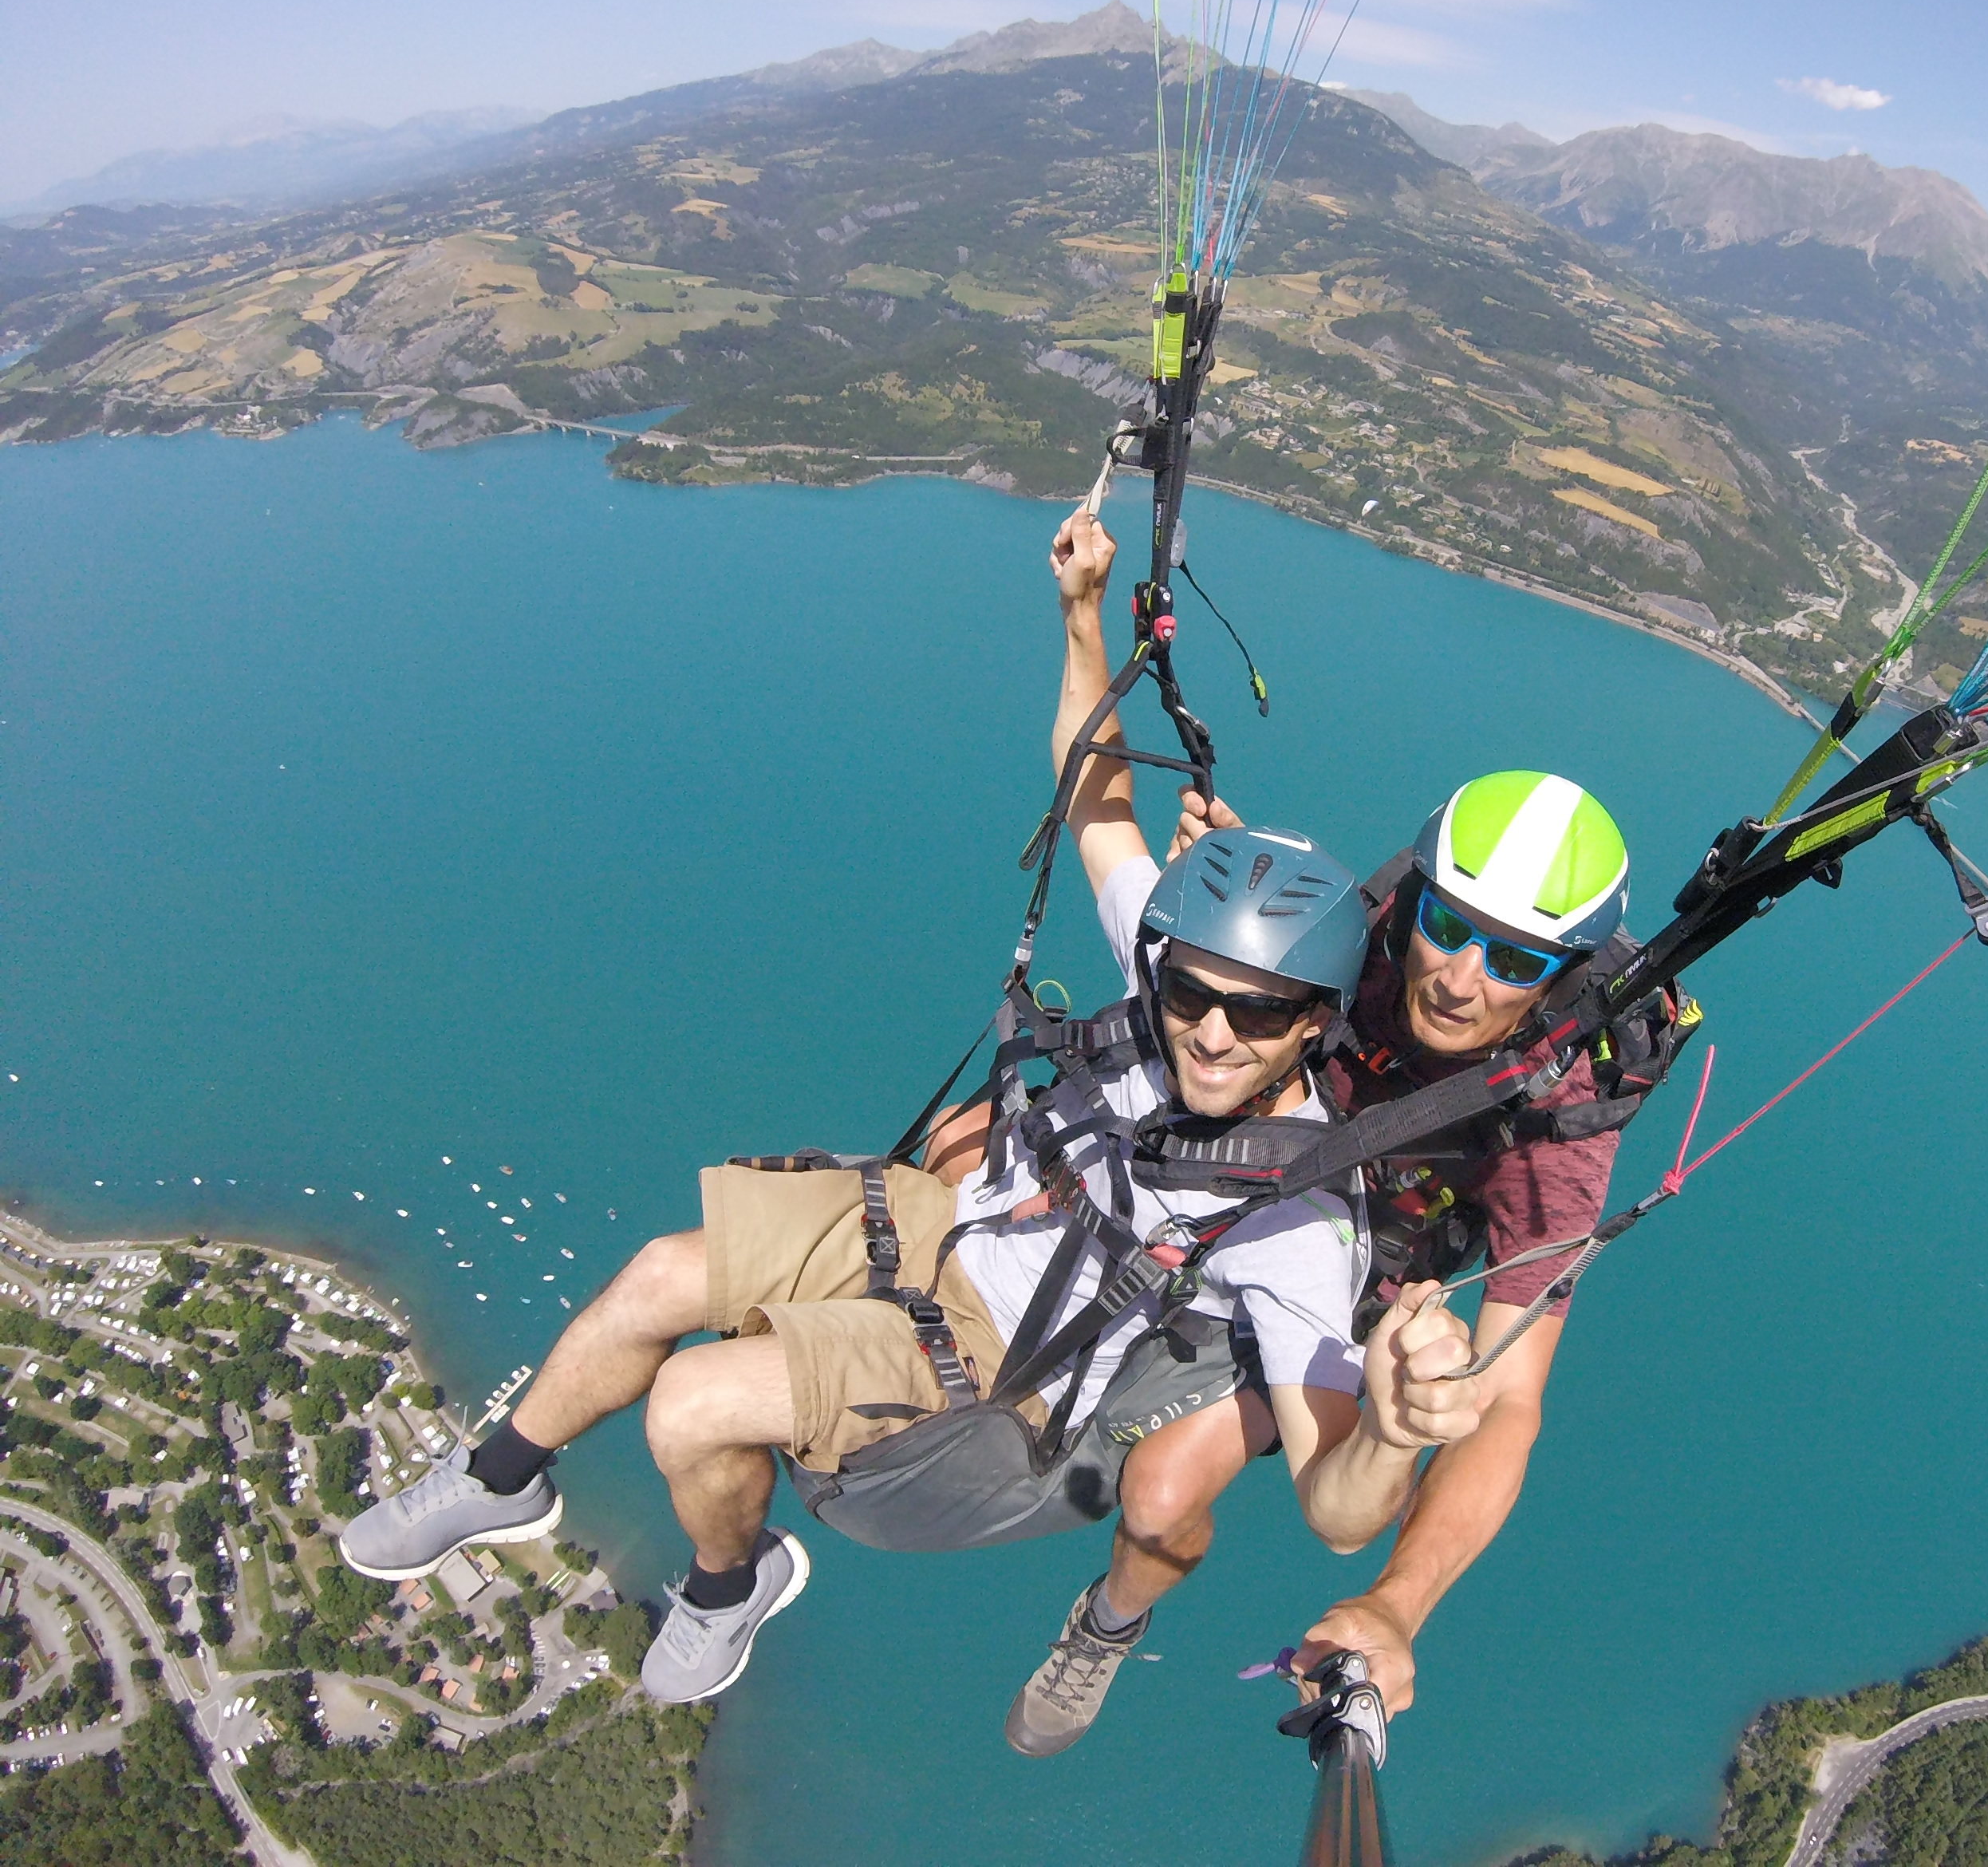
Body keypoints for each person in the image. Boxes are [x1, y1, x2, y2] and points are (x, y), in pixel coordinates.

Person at [339, 505, 1483, 1719]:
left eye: (1257, 1018)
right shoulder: (1171, 982)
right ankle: (504, 1474)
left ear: (1314, 1024)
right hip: (944, 1220)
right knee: (655, 1279)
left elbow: (1336, 1509)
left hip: (1007, 1351)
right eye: (1194, 991)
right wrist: (1080, 616)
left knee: (692, 1404)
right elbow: (1093, 794)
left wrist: (1396, 1433)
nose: (1210, 1031)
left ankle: (729, 1590)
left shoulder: (1298, 1215)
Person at [988, 506, 1690, 1752]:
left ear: (1569, 971)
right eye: (1449, 922)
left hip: (1337, 1282)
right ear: (1413, 889)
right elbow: (1110, 831)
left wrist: (1396, 1601)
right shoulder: (1358, 942)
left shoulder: (1554, 1129)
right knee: (956, 1149)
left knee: (1159, 1495)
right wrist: (1233, 895)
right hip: (1220, 1185)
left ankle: (1105, 1626)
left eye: (1519, 957)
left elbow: (1511, 1396)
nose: (1464, 976)